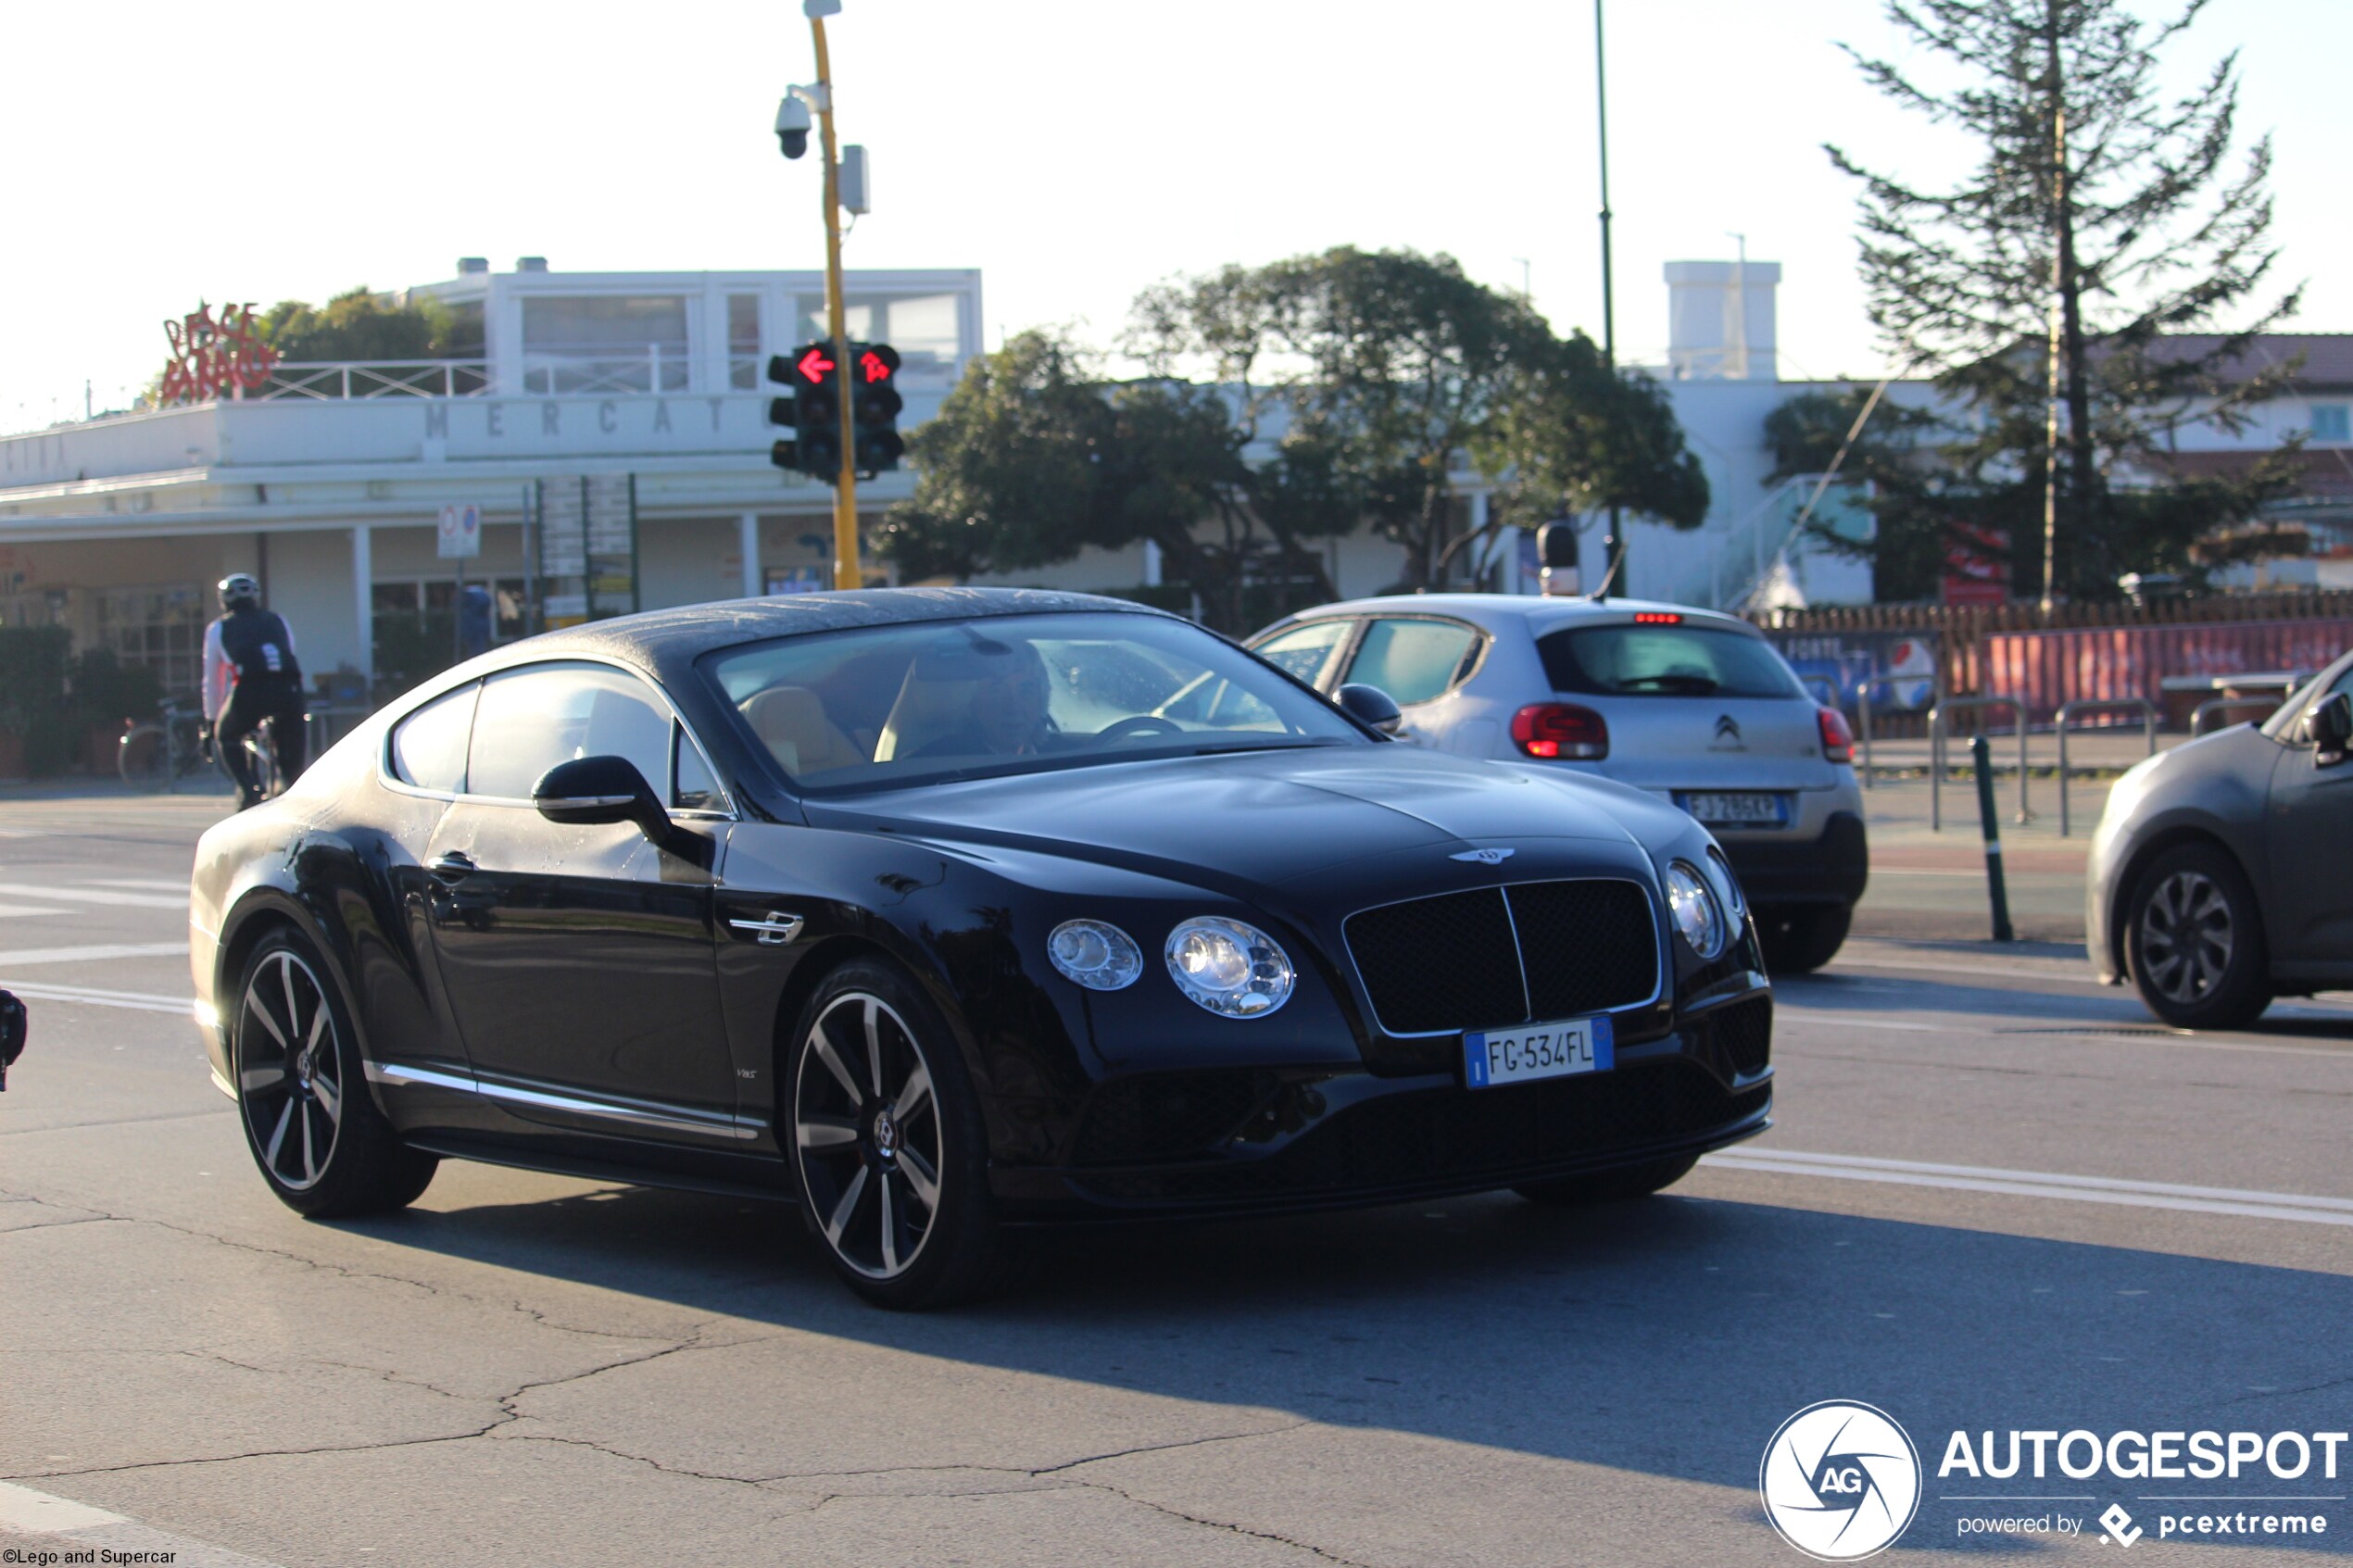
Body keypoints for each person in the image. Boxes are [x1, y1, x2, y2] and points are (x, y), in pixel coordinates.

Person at [203, 573, 308, 809]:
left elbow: (213, 681)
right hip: (289, 690)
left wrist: (211, 721)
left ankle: (247, 788)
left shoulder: (219, 628)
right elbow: (290, 653)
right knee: (291, 751)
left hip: (250, 691)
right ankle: (291, 786)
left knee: (226, 735)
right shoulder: (278, 620)